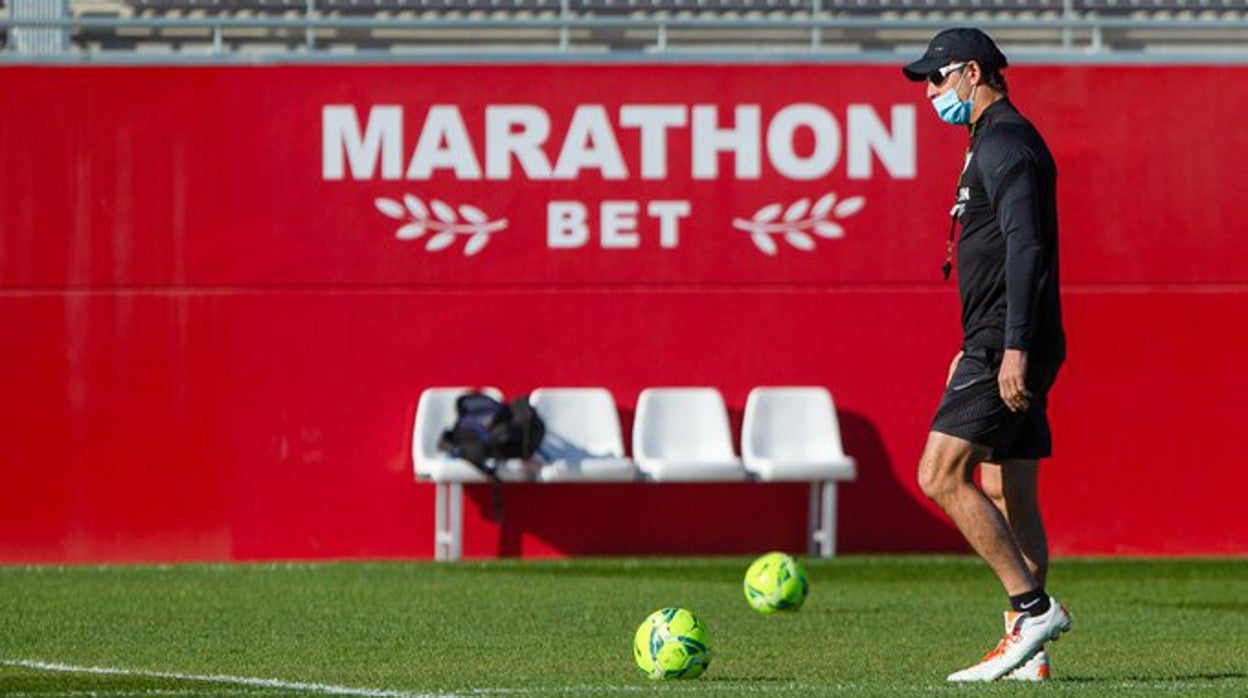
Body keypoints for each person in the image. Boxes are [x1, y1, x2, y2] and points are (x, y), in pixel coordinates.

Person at [902, 28, 1072, 682]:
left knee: (940, 475)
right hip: (999, 338)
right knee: (1008, 484)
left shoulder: (1006, 142)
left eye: (937, 79)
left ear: (973, 72)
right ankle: (1031, 654)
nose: (930, 93)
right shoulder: (992, 141)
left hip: (1008, 340)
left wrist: (1010, 349)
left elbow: (1027, 249)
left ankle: (1031, 610)